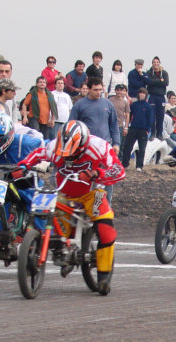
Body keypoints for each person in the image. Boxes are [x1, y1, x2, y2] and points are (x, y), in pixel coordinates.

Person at [18, 121, 125, 295]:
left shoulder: (99, 146)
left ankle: (104, 275)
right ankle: (57, 249)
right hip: (63, 192)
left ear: (82, 145)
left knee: (105, 227)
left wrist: (97, 173)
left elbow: (118, 170)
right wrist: (23, 166)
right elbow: (38, 154)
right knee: (45, 214)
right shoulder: (53, 147)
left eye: (72, 154)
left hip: (93, 192)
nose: (68, 157)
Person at [69, 77, 121, 202]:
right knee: (84, 179)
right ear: (88, 89)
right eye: (95, 90)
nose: (98, 92)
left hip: (105, 148)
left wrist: (117, 143)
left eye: (100, 90)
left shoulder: (108, 104)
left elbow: (114, 125)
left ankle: (105, 207)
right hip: (85, 149)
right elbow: (71, 126)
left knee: (106, 179)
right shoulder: (79, 105)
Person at [122, 88, 152, 171]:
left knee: (142, 149)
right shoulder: (134, 105)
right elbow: (129, 115)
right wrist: (127, 126)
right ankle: (125, 164)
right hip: (133, 129)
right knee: (127, 147)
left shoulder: (148, 106)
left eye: (143, 93)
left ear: (146, 95)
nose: (141, 94)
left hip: (143, 130)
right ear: (138, 94)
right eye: (140, 93)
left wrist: (147, 130)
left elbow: (150, 120)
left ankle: (139, 166)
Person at [146, 57, 169, 140]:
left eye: (157, 62)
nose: (156, 64)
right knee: (152, 115)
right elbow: (149, 82)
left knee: (160, 116)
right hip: (152, 96)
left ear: (159, 63)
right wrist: (160, 81)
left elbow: (166, 83)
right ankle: (153, 133)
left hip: (161, 97)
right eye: (154, 62)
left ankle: (160, 133)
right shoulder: (149, 72)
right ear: (152, 63)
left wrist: (156, 81)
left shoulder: (164, 73)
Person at [109, 84, 131, 154]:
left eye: (121, 90)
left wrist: (126, 127)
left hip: (120, 126)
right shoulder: (110, 100)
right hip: (109, 125)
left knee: (119, 145)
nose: (119, 92)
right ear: (115, 91)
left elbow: (127, 115)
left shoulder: (125, 102)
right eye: (117, 90)